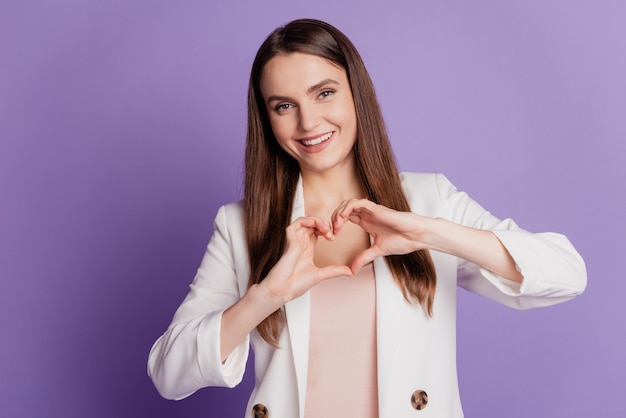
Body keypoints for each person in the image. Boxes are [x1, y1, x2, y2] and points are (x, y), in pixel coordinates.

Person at [147, 18, 586, 418]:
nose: (308, 121)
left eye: (324, 93)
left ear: (357, 92)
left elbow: (567, 275)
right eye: (284, 106)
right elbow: (169, 374)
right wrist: (265, 296)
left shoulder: (427, 199)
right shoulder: (242, 226)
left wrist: (429, 231)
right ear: (267, 119)